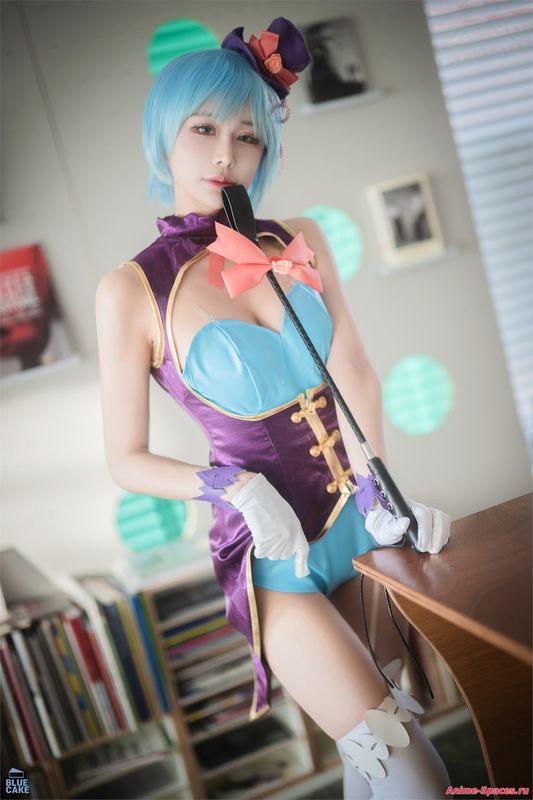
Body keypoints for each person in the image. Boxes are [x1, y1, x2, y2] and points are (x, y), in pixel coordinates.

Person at [95, 17, 451, 799]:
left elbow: (353, 372)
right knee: (409, 766)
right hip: (272, 558)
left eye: (248, 136)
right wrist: (233, 486)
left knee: (378, 761)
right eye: (203, 129)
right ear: (163, 136)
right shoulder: (131, 289)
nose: (225, 154)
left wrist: (381, 489)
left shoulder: (301, 236)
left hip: (359, 528)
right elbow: (125, 460)